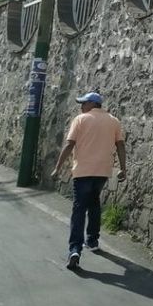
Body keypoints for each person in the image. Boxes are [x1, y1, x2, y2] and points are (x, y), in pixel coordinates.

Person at [51, 91, 126, 270]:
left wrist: (57, 168)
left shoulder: (80, 120)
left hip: (83, 171)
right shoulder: (114, 121)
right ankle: (92, 240)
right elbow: (120, 145)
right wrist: (123, 168)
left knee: (79, 208)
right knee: (94, 203)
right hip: (102, 172)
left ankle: (74, 249)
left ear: (92, 104)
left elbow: (69, 144)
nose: (81, 106)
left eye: (84, 103)